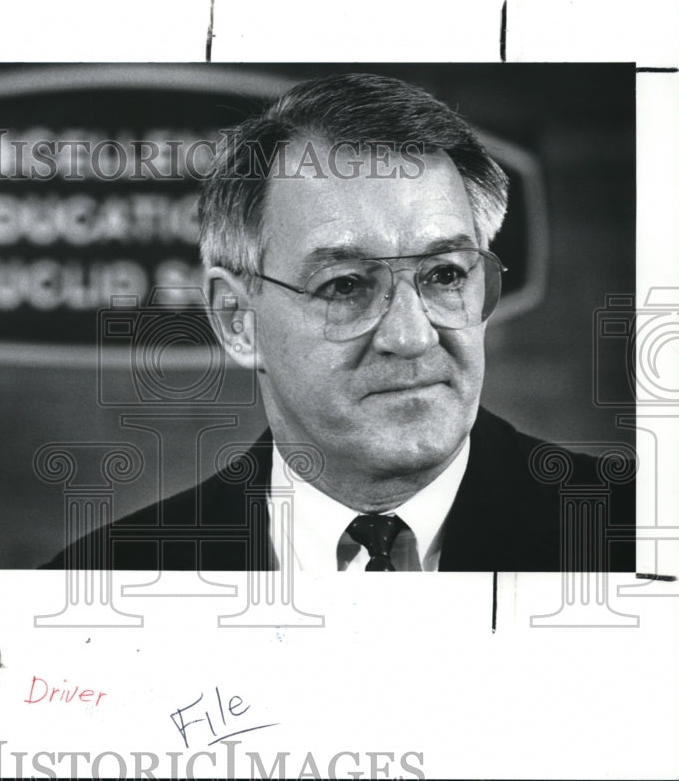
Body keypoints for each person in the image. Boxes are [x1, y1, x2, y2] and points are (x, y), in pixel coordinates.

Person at [41, 72, 635, 572]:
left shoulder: (640, 540)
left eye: (446, 275)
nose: (411, 336)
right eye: (346, 286)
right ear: (237, 319)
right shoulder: (102, 580)